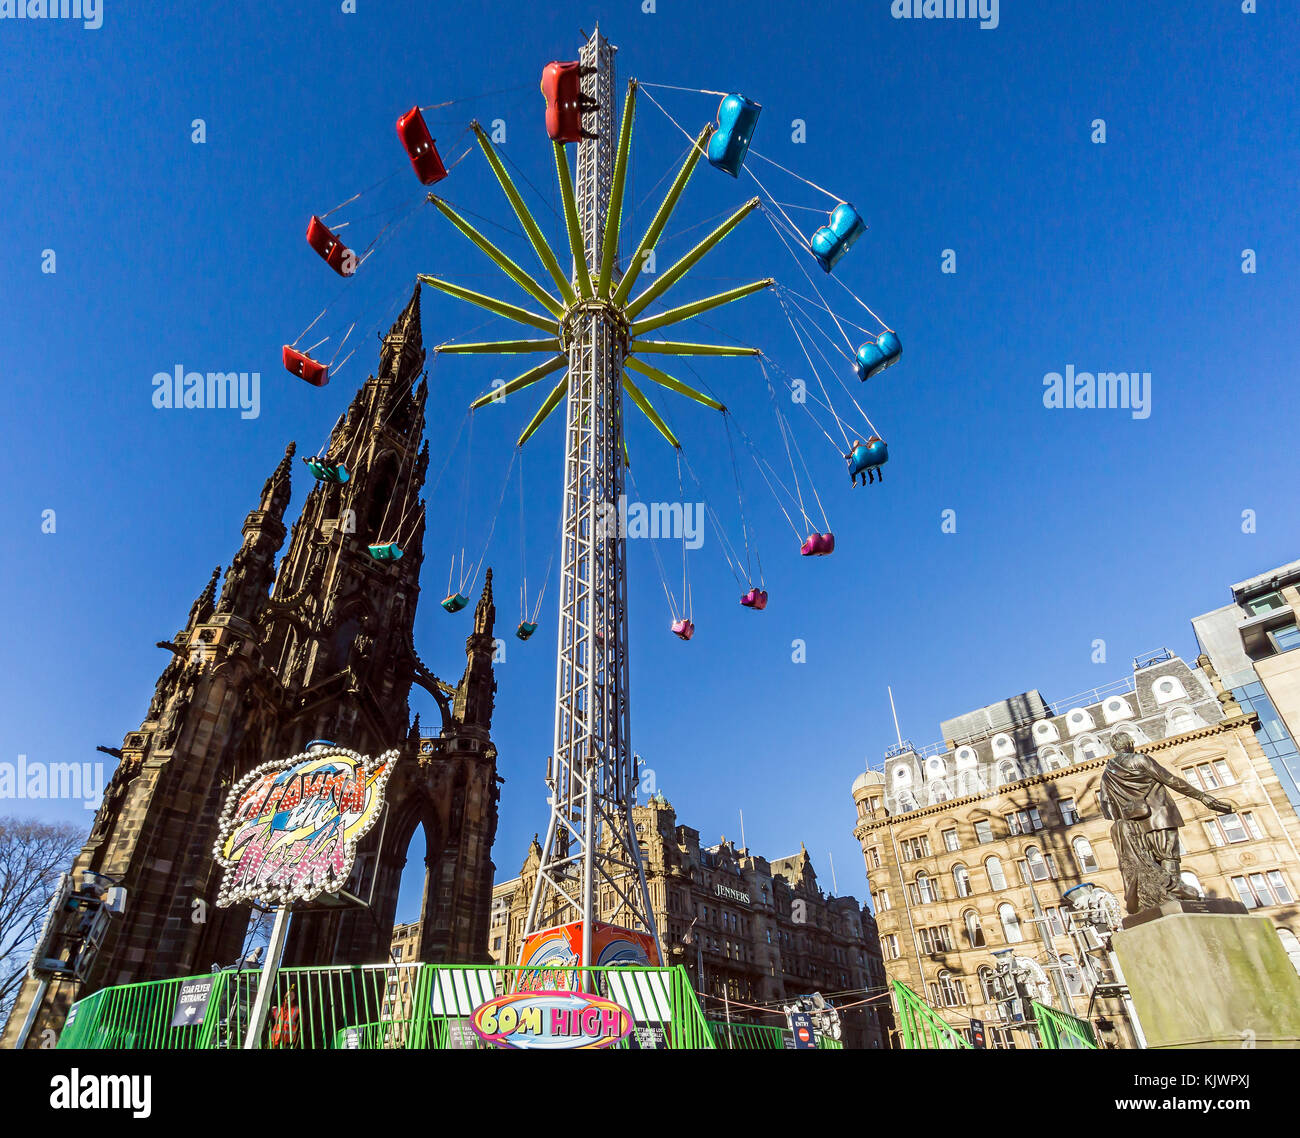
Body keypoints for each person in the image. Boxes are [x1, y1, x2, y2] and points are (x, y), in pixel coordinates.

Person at [1101, 732, 1234, 913]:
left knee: (1153, 860)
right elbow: (1171, 780)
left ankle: (1165, 899)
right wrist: (1202, 796)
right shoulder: (1140, 759)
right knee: (1168, 857)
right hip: (1159, 815)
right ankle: (1176, 899)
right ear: (1130, 744)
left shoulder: (1108, 772)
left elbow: (1106, 803)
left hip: (1135, 824)